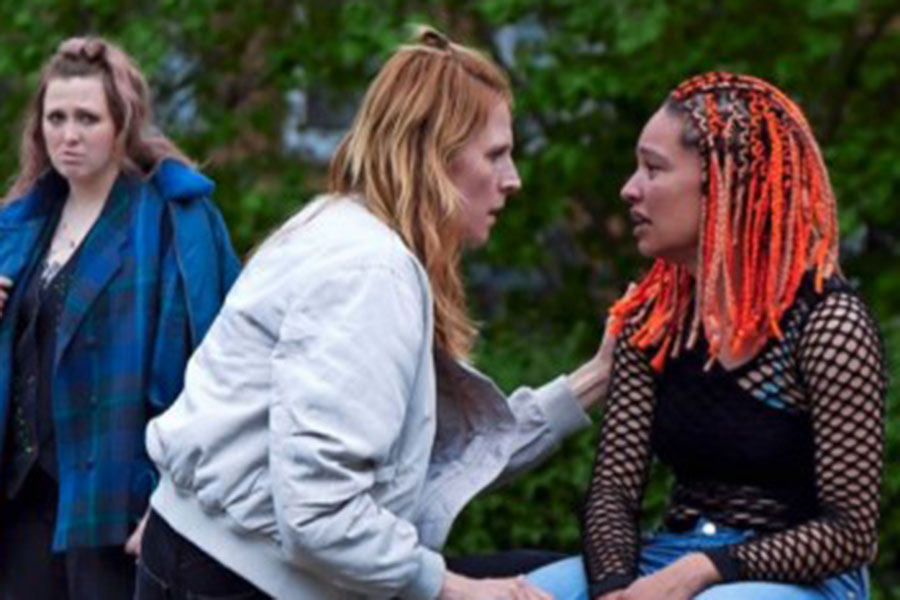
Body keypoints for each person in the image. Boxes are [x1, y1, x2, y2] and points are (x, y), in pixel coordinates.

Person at [135, 26, 615, 600]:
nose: (512, 180)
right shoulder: (369, 274)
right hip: (236, 582)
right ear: (434, 156)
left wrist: (595, 378)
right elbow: (319, 512)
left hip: (207, 561)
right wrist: (458, 589)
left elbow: (439, 458)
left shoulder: (345, 232)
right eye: (495, 154)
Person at [527, 72, 887, 600]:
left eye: (653, 168)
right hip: (671, 554)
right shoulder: (657, 319)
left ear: (725, 183)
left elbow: (850, 533)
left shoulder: (828, 325)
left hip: (799, 578)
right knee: (517, 595)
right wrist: (613, 588)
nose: (630, 189)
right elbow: (612, 495)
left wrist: (705, 569)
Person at [0, 37, 240, 600]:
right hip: (21, 500)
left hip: (118, 502)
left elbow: (223, 368)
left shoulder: (173, 222)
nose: (69, 135)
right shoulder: (20, 227)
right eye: (56, 118)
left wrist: (172, 500)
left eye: (88, 118)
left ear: (122, 125)